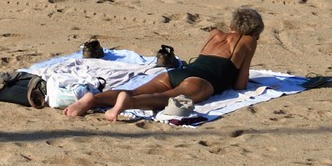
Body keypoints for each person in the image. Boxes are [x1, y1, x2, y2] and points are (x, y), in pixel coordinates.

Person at [62, 8, 265, 120]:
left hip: (178, 72)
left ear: (230, 26)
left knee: (136, 91)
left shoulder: (215, 34)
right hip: (201, 82)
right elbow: (240, 84)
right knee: (162, 99)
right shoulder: (248, 42)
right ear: (255, 33)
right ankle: (126, 104)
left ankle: (94, 100)